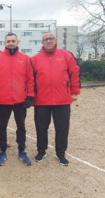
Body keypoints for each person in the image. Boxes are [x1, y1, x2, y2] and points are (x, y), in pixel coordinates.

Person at [32, 32, 80, 166]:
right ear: (42, 42)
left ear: (56, 40)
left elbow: (74, 72)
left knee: (62, 128)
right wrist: (31, 96)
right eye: (46, 39)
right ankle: (41, 151)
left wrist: (74, 91)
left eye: (51, 39)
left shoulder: (66, 56)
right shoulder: (35, 59)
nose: (48, 41)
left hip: (62, 100)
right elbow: (30, 79)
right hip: (41, 101)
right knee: (41, 128)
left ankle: (60, 153)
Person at [0, 33, 34, 166]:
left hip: (20, 100)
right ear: (4, 43)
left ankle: (22, 150)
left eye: (13, 41)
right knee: (2, 127)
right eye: (8, 41)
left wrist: (30, 96)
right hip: (3, 101)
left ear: (17, 42)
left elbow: (30, 79)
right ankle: (2, 151)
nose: (11, 43)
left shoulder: (25, 59)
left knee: (21, 126)